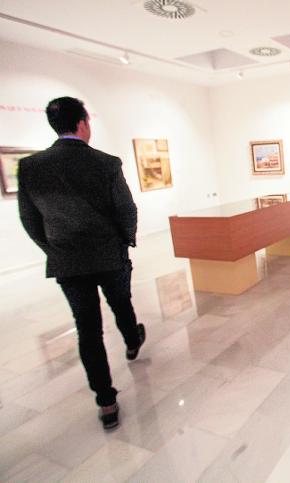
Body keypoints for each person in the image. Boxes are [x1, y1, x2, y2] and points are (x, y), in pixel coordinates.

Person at [17, 96, 145, 430]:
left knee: (87, 329)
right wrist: (125, 239)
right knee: (121, 303)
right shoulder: (104, 163)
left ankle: (106, 402)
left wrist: (55, 249)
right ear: (83, 123)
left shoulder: (30, 167)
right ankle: (133, 341)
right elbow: (126, 209)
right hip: (108, 254)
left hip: (68, 261)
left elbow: (30, 220)